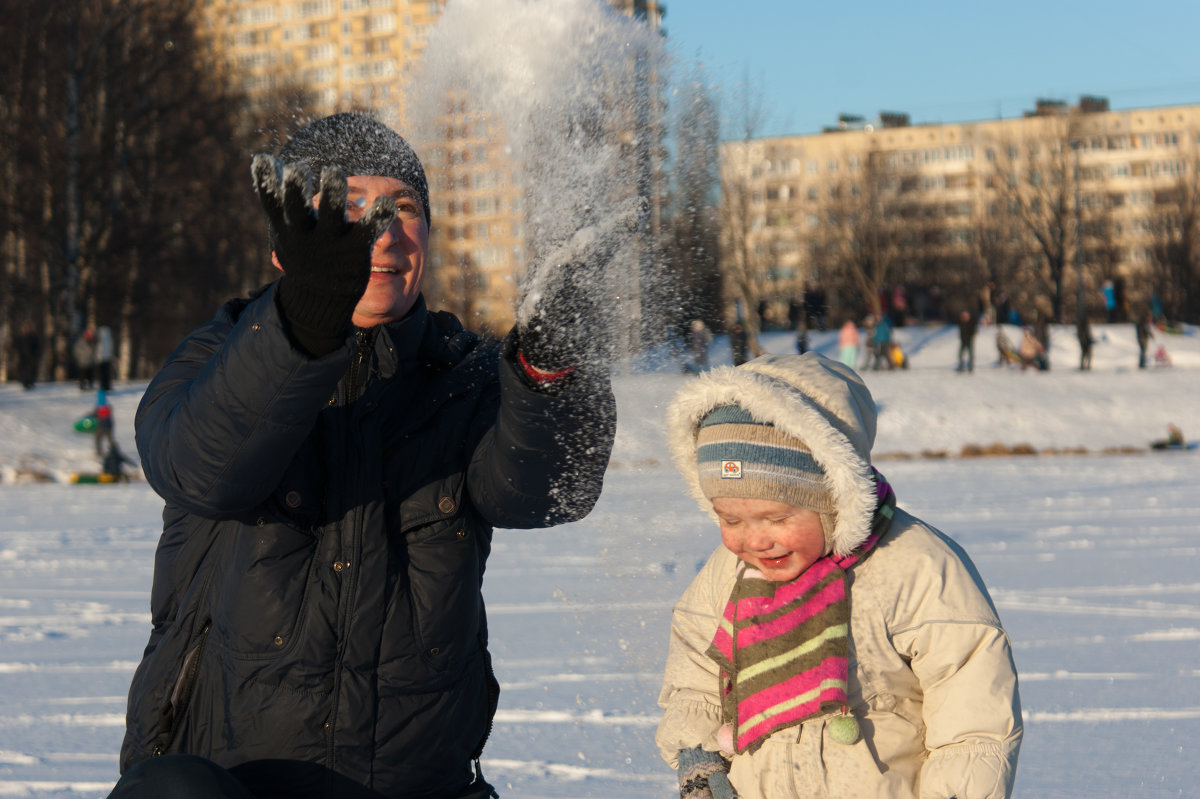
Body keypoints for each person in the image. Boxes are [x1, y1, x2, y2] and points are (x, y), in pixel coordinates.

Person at [108, 112, 620, 799]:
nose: (383, 228)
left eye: (403, 206)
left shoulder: (464, 375)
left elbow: (544, 489)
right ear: (286, 244)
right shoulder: (219, 353)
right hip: (229, 779)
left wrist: (552, 368)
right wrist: (308, 320)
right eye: (351, 207)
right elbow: (204, 468)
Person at [655, 353, 1022, 799]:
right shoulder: (730, 571)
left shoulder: (917, 565)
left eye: (776, 516)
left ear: (834, 496)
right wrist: (697, 753)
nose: (754, 540)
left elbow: (973, 719)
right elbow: (698, 665)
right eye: (730, 520)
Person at [15, 318, 41, 390]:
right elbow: (18, 347)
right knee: (25, 370)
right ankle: (25, 383)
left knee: (31, 370)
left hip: (32, 356)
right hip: (23, 357)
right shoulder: (21, 337)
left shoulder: (33, 336)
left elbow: (37, 347)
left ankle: (30, 382)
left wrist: (35, 355)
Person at [93, 389, 114, 457]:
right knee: (110, 440)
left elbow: (94, 416)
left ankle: (99, 452)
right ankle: (113, 450)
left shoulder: (98, 409)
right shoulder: (108, 408)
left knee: (97, 439)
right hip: (108, 427)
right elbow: (110, 419)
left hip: (100, 427)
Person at [956, 308, 977, 373]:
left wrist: (970, 337)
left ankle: (970, 367)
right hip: (963, 340)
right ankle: (961, 366)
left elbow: (974, 331)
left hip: (970, 340)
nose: (964, 316)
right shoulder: (961, 322)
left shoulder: (972, 322)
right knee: (960, 354)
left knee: (971, 354)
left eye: (965, 315)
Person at [95, 324, 115, 391]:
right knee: (106, 374)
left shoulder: (101, 341)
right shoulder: (109, 339)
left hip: (102, 359)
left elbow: (99, 350)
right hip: (107, 359)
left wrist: (98, 357)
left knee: (103, 374)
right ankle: (106, 386)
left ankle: (103, 386)